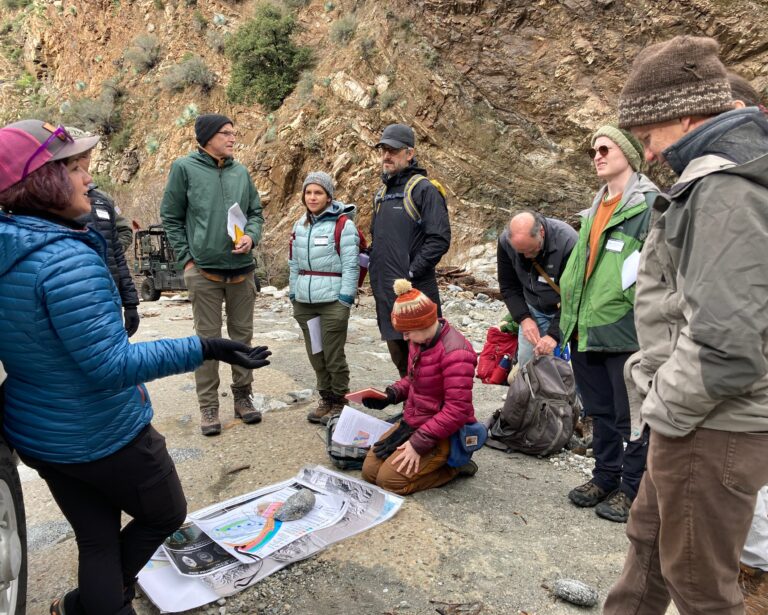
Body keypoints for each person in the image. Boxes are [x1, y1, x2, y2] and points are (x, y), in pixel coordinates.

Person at [0, 120, 271, 615]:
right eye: (77, 169)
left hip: (39, 435)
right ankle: (104, 603)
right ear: (43, 181)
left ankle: (90, 605)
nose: (88, 180)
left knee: (97, 540)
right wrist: (206, 346)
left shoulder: (9, 245)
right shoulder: (64, 260)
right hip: (103, 433)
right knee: (165, 513)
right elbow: (110, 365)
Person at [602, 36, 768, 614]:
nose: (646, 154)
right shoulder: (711, 185)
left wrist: (665, 407)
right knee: (646, 546)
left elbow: (728, 342)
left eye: (647, 138)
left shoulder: (724, 191)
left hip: (710, 422)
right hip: (691, 416)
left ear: (686, 116)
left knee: (699, 588)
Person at [558, 124, 657, 523]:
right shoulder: (595, 207)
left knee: (630, 415)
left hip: (625, 329)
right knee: (599, 411)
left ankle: (633, 489)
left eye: (604, 148)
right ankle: (605, 476)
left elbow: (659, 272)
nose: (597, 155)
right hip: (586, 327)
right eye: (593, 151)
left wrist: (632, 308)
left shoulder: (649, 206)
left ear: (629, 155)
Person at [160, 113, 265, 436]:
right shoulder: (184, 169)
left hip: (241, 272)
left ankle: (243, 397)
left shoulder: (240, 172)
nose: (233, 139)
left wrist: (251, 236)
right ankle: (208, 407)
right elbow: (171, 216)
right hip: (203, 273)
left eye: (234, 133)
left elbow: (255, 213)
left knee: (241, 339)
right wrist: (187, 261)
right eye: (226, 134)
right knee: (206, 344)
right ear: (207, 137)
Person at [360, 279, 478, 495]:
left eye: (407, 332)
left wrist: (417, 443)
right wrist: (390, 395)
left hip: (442, 433)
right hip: (413, 421)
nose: (404, 338)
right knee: (369, 473)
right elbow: (414, 380)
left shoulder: (457, 353)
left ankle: (454, 468)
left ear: (424, 323)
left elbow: (457, 411)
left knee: (389, 482)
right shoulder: (420, 340)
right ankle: (427, 458)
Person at [369, 123, 451, 378]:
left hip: (415, 291)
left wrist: (411, 273)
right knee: (399, 357)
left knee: (427, 357)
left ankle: (432, 413)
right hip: (386, 293)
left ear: (409, 153)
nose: (386, 156)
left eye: (393, 150)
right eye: (383, 150)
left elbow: (439, 239)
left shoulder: (424, 189)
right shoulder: (381, 194)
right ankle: (411, 409)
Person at [288, 171, 360, 424]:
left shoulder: (344, 225)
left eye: (318, 192)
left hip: (332, 302)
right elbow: (294, 264)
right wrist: (293, 293)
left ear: (329, 196)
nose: (312, 197)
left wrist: (345, 300)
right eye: (308, 192)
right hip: (305, 303)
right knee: (316, 354)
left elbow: (351, 266)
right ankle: (326, 398)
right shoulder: (300, 225)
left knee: (333, 353)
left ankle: (340, 399)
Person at [67, 127, 140, 337]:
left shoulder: (102, 199)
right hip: (74, 300)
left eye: (86, 155)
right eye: (77, 156)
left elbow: (119, 244)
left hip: (110, 297)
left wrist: (130, 303)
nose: (83, 161)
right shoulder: (45, 205)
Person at [496, 210, 577, 367]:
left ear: (541, 232)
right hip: (534, 309)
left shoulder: (568, 241)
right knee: (528, 364)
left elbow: (575, 296)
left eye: (532, 250)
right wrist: (524, 319)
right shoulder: (506, 242)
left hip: (568, 311)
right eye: (521, 252)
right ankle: (530, 391)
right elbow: (508, 286)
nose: (527, 256)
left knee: (570, 372)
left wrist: (554, 335)